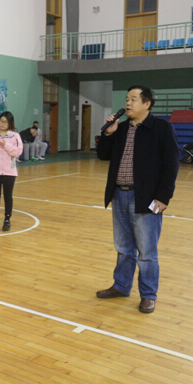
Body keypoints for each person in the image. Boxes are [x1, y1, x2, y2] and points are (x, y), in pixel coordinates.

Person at [96, 85, 179, 314]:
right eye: (127, 99)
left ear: (147, 104)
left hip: (146, 198)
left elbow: (171, 164)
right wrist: (108, 133)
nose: (128, 103)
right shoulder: (121, 128)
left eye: (133, 99)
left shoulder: (161, 128)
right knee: (124, 247)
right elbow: (103, 155)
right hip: (119, 195)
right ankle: (121, 286)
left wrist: (163, 197)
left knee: (147, 252)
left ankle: (148, 295)